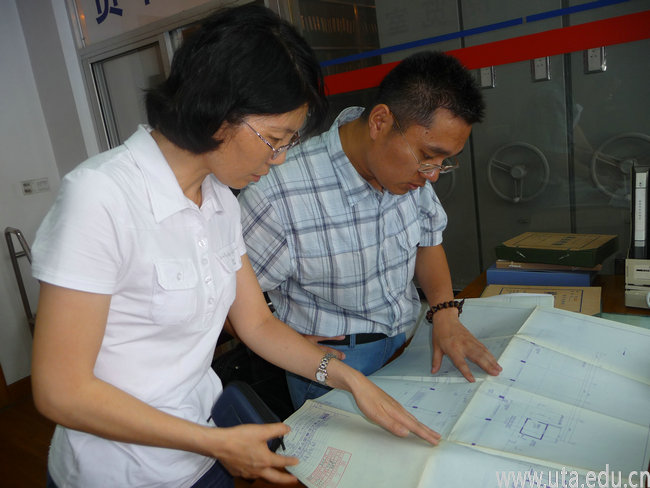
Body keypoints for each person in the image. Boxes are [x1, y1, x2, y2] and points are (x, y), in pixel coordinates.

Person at [30, 6, 440, 488]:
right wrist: (214, 444)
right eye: (275, 139)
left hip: (202, 450)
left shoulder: (219, 200)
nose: (280, 158)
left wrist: (351, 381)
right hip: (122, 471)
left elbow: (257, 324)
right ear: (218, 112)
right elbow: (61, 391)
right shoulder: (100, 196)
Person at [238, 50, 503, 409]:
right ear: (380, 122)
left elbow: (427, 242)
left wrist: (444, 311)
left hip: (407, 341)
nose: (433, 175)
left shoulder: (408, 176)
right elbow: (225, 301)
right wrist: (280, 340)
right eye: (428, 155)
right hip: (333, 362)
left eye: (444, 162)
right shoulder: (278, 194)